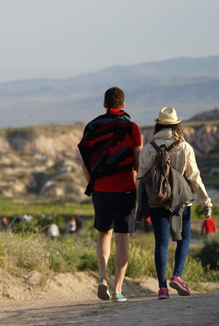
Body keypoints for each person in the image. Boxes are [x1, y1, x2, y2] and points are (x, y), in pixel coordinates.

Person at [137, 107, 213, 300]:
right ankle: (177, 276)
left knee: (161, 243)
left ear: (158, 125)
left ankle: (162, 288)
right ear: (176, 125)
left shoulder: (147, 149)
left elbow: (141, 179)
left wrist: (141, 206)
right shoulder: (184, 147)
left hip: (156, 201)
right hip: (181, 201)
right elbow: (194, 177)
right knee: (183, 239)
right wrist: (206, 202)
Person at [78, 87, 142, 302]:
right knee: (122, 239)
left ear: (104, 104)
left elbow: (85, 162)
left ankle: (102, 277)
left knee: (103, 234)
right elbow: (138, 161)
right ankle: (118, 290)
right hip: (125, 189)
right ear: (123, 105)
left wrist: (92, 182)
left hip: (101, 190)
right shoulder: (131, 127)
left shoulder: (92, 127)